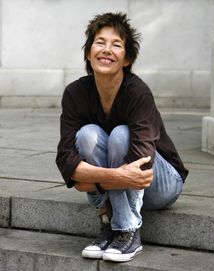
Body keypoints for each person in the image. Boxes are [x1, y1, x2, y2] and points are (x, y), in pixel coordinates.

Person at [56, 12, 188, 262]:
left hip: (161, 184)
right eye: (99, 42)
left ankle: (127, 229)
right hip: (125, 177)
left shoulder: (138, 93)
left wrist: (90, 181)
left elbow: (140, 169)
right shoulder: (75, 94)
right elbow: (66, 163)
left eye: (116, 45)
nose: (106, 50)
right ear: (88, 53)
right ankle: (108, 222)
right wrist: (115, 176)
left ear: (126, 59)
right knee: (87, 135)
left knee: (120, 135)